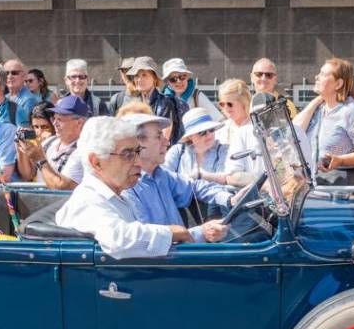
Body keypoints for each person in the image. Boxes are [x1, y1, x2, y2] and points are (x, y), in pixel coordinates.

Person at [54, 116, 227, 259]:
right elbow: (118, 239)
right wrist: (174, 232)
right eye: (127, 154)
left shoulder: (120, 195)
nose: (138, 162)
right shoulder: (87, 201)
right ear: (96, 162)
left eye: (137, 152)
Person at [125, 113, 234, 227]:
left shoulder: (162, 175)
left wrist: (229, 198)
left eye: (211, 130)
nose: (167, 142)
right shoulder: (127, 187)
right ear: (137, 144)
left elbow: (195, 186)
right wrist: (201, 232)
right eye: (158, 137)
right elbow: (149, 234)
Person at [294, 58, 354, 186]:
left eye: (323, 74)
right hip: (316, 185)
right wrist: (316, 101)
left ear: (338, 84)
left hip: (341, 189)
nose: (316, 77)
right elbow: (293, 133)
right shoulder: (319, 109)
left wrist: (340, 160)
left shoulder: (350, 111)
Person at [16, 93, 89, 188]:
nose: (55, 123)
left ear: (79, 122)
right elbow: (28, 175)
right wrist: (21, 148)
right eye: (54, 118)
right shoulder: (49, 142)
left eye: (60, 119)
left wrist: (40, 159)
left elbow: (61, 188)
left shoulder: (83, 151)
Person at [110, 57, 187, 140]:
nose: (139, 79)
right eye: (136, 75)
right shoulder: (133, 104)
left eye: (144, 75)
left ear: (154, 79)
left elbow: (164, 138)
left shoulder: (165, 103)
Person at [166, 108, 230, 185]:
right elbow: (164, 175)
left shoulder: (223, 150)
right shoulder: (177, 151)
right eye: (202, 132)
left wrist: (200, 175)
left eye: (211, 129)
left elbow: (225, 178)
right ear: (190, 136)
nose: (209, 134)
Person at [217, 79, 263, 184]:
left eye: (230, 104)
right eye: (222, 104)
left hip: (250, 184)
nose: (225, 108)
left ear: (244, 104)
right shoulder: (221, 128)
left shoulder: (256, 129)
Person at [2, 59, 37, 127]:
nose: (9, 76)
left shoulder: (29, 100)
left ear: (24, 76)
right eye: (6, 73)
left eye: (14, 73)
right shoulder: (5, 97)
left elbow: (26, 128)